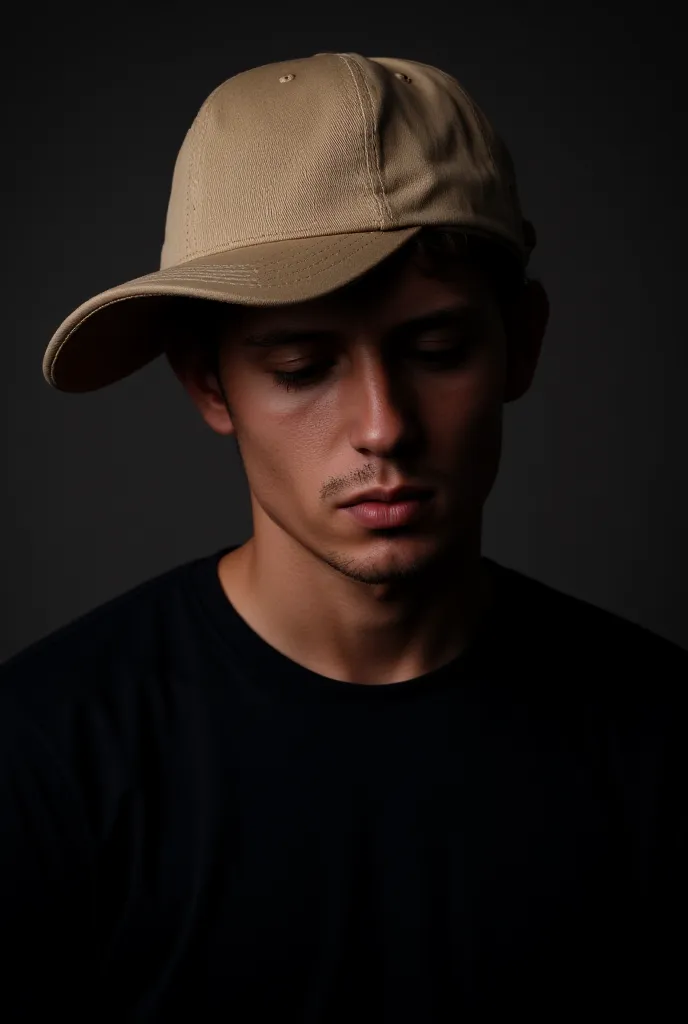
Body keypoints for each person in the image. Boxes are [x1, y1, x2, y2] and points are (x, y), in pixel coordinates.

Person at [2, 52, 686, 1021]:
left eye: (437, 350)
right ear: (206, 383)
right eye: (301, 364)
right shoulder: (43, 754)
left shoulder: (658, 735)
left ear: (519, 345)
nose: (382, 424)